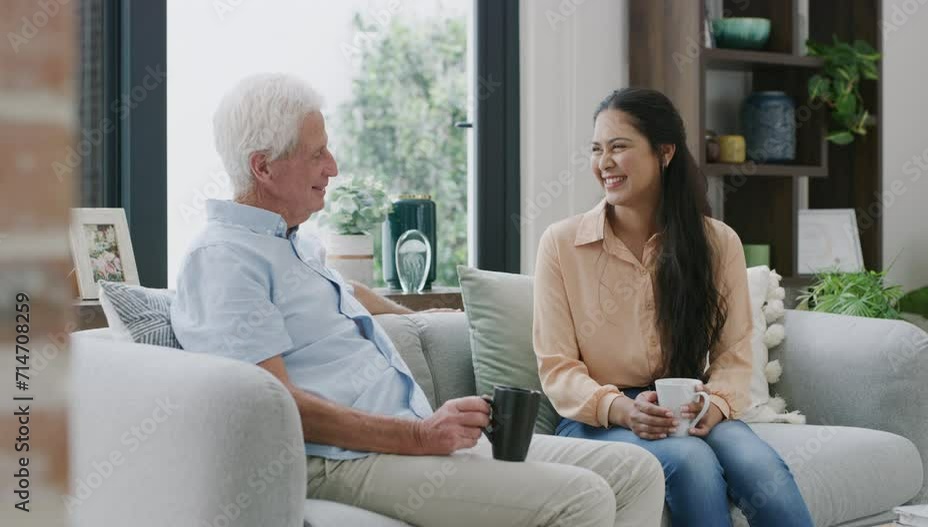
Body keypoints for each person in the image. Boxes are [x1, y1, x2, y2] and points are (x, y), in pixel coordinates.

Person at [170, 74, 665, 527]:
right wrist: (420, 437)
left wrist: (421, 316)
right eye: (316, 154)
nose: (334, 167)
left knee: (636, 470)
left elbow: (348, 294)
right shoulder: (224, 259)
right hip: (335, 459)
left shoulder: (294, 243)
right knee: (581, 498)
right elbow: (269, 406)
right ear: (264, 167)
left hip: (403, 441)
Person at [532, 87, 814, 527]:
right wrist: (625, 410)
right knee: (692, 464)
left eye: (619, 147)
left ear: (664, 153)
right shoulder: (561, 244)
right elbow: (557, 368)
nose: (603, 162)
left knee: (762, 469)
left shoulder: (717, 243)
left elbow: (734, 354)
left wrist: (715, 406)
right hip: (597, 418)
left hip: (686, 405)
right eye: (596, 149)